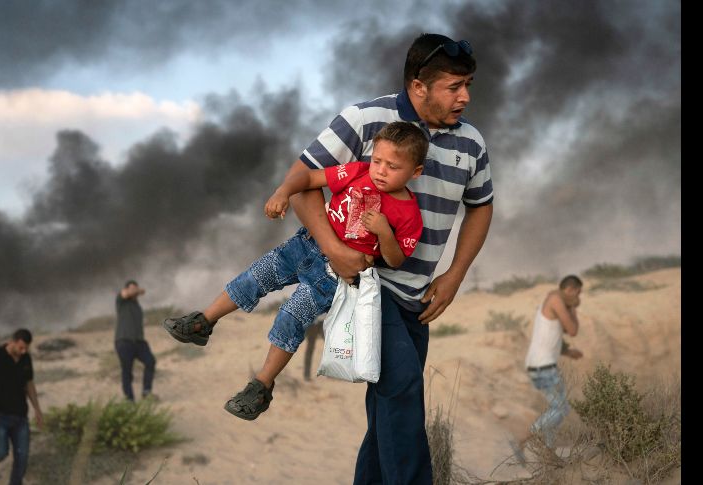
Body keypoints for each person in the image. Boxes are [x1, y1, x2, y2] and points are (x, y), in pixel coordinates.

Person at [280, 33, 493, 484]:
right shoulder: (363, 119)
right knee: (403, 391)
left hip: (419, 297)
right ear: (419, 87)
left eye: (468, 84)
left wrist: (455, 274)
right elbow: (301, 180)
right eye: (453, 86)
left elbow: (481, 205)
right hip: (370, 289)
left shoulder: (471, 142)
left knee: (387, 415)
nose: (465, 97)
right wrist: (334, 250)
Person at [163, 121, 429, 421]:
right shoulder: (357, 171)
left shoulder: (409, 213)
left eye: (392, 166)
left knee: (291, 316)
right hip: (304, 245)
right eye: (377, 160)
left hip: (332, 276)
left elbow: (395, 260)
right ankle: (203, 322)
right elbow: (308, 177)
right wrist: (283, 192)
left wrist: (384, 233)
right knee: (256, 276)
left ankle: (261, 386)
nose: (380, 170)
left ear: (415, 172)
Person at [520, 275, 584, 450]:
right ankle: (523, 440)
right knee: (561, 409)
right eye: (578, 293)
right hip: (543, 367)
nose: (579, 297)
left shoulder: (554, 299)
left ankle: (549, 451)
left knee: (556, 408)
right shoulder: (556, 299)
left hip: (542, 365)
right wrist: (573, 308)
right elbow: (572, 330)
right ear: (570, 290)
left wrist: (568, 352)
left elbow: (552, 333)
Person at [0, 328, 43, 484]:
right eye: (21, 347)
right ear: (12, 341)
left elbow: (29, 384)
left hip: (20, 416)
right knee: (0, 453)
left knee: (22, 457)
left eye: (26, 348)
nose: (24, 351)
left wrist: (37, 409)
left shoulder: (26, 359)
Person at [115, 279, 157, 401]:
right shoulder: (121, 300)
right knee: (127, 371)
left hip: (138, 342)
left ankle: (146, 391)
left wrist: (137, 291)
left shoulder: (137, 305)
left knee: (150, 361)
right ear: (127, 289)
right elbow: (126, 293)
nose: (135, 291)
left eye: (136, 288)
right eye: (132, 288)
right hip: (124, 341)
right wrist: (137, 290)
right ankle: (129, 399)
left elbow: (139, 292)